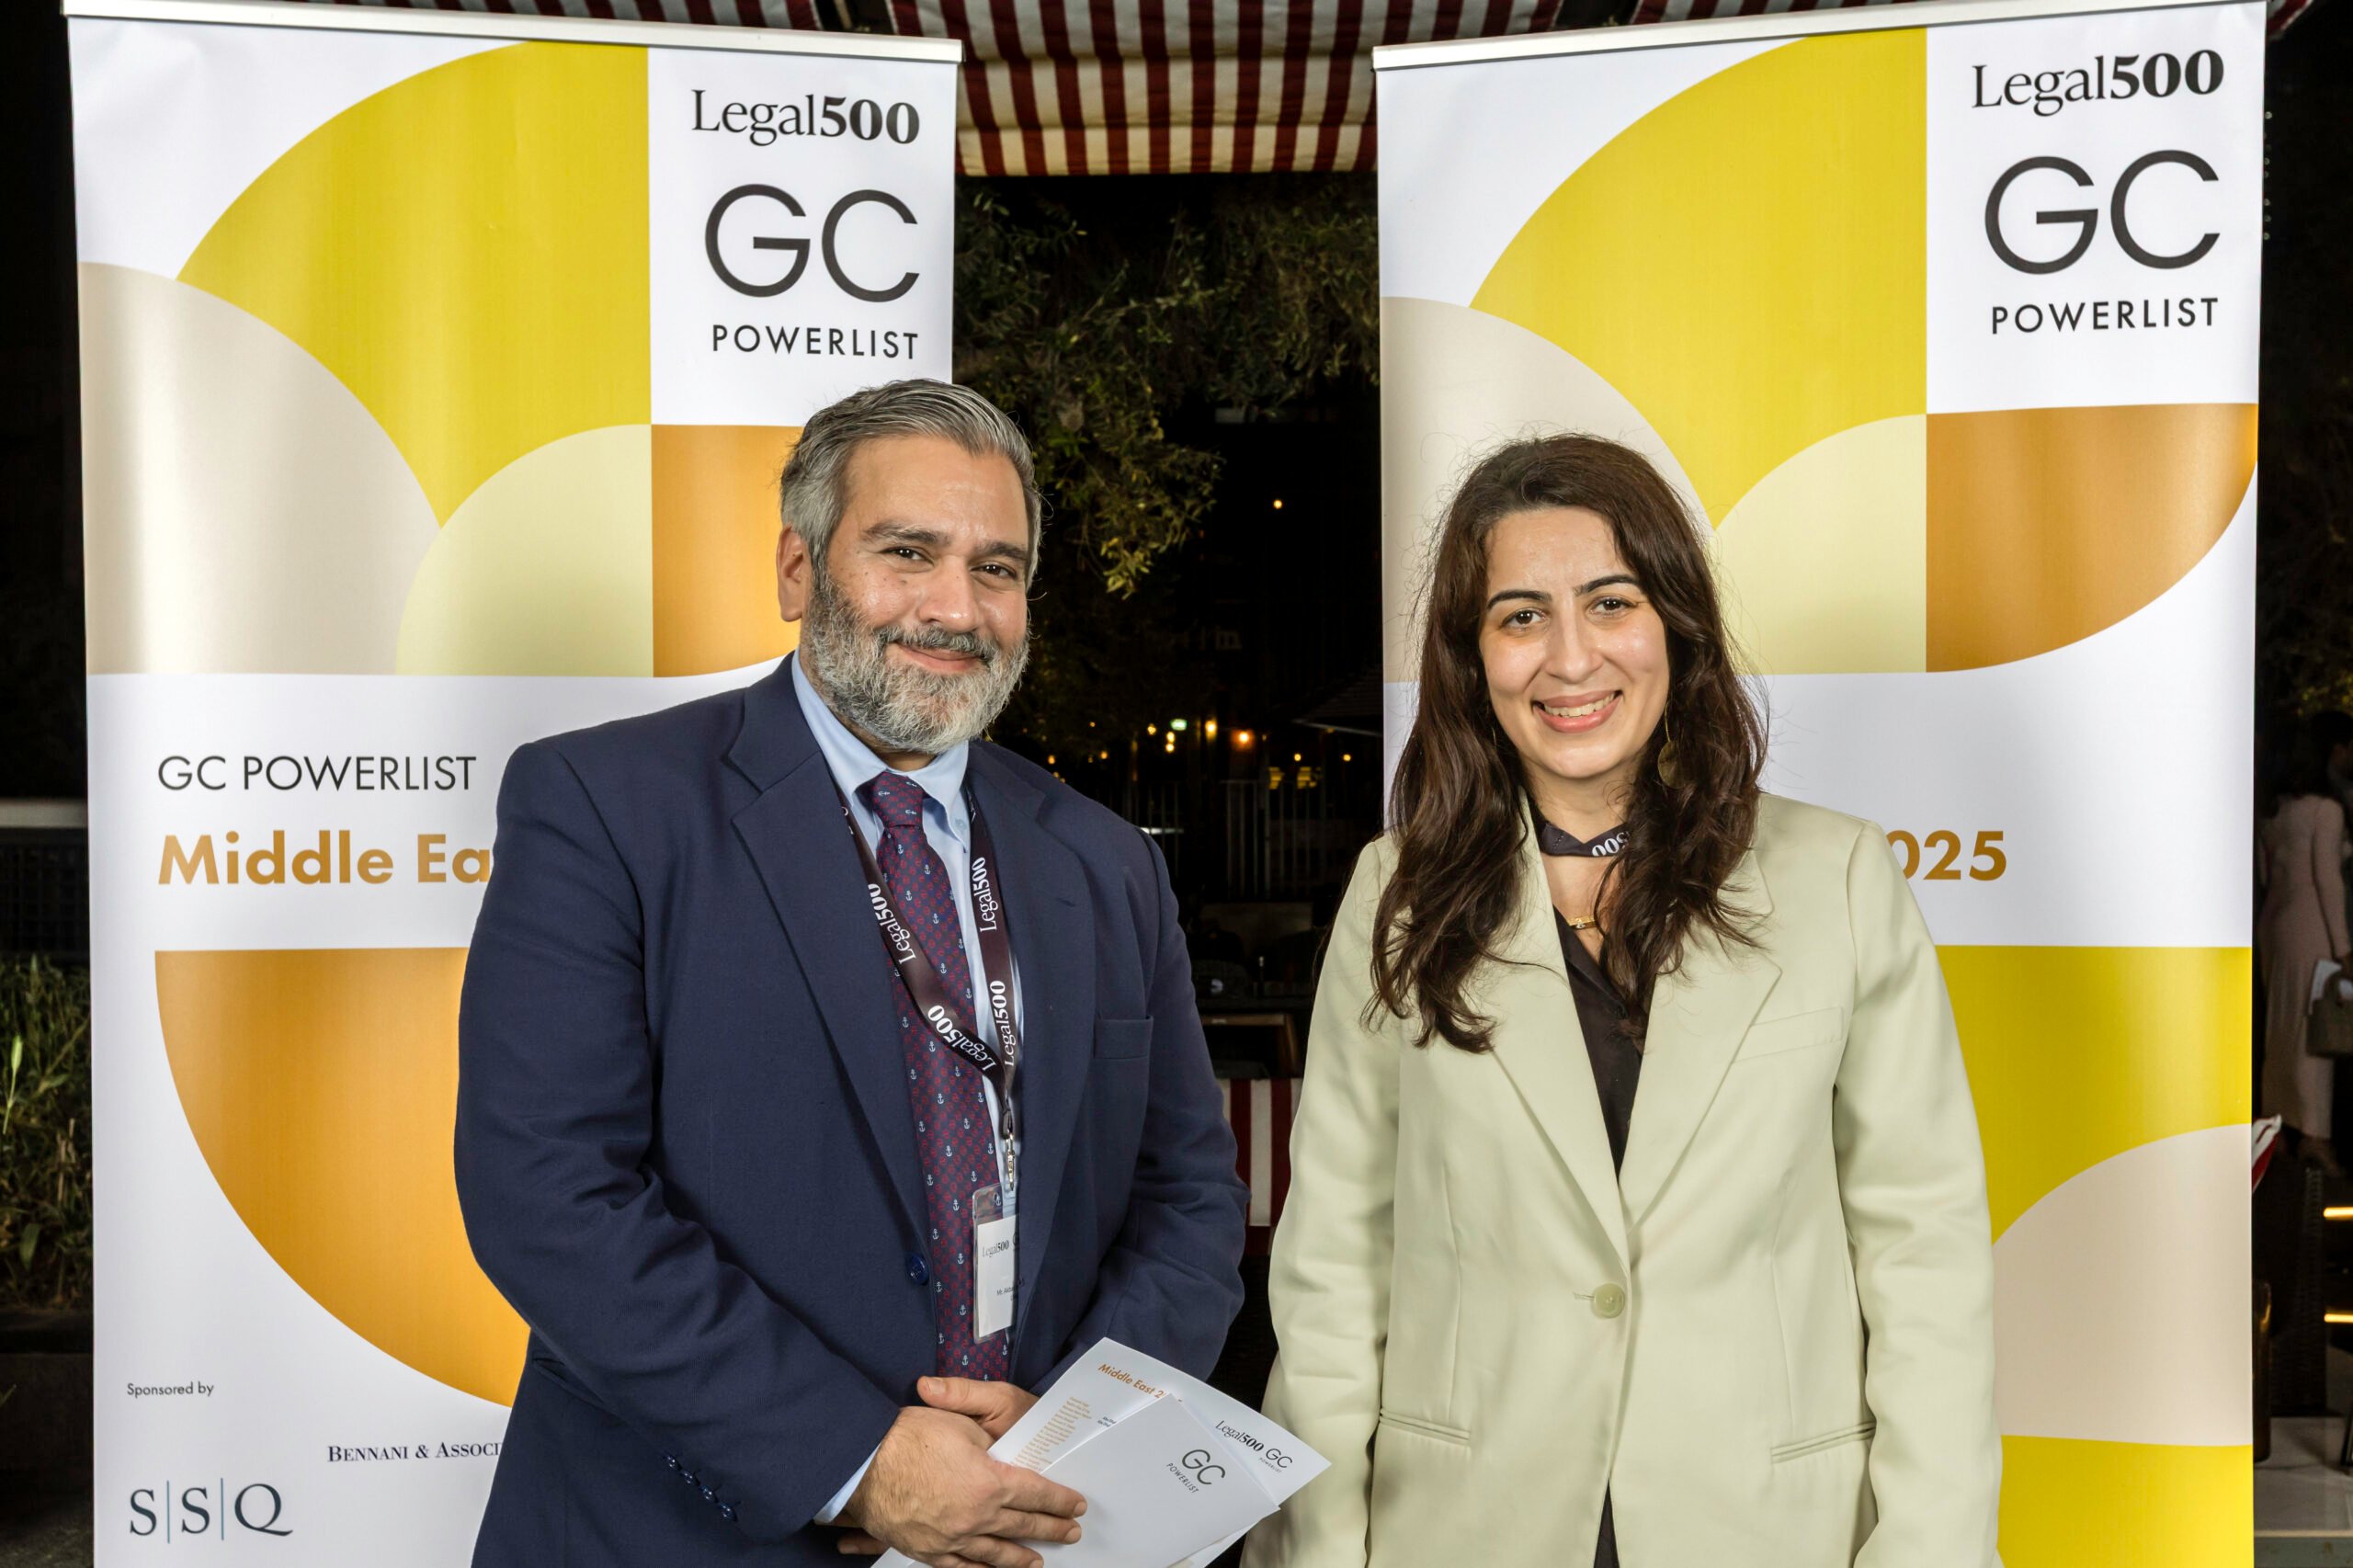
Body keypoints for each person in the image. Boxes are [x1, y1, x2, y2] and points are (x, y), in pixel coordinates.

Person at [455, 380, 1249, 1568]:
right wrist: (857, 1457)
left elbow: (1187, 1197)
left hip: (1025, 1524)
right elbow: (549, 1191)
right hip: (681, 1535)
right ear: (797, 569)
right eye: (907, 552)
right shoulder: (606, 808)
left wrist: (1075, 1428)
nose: (955, 606)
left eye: (995, 567)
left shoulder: (1104, 860)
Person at [1245, 435, 2001, 1568]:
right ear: (1471, 657)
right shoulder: (1394, 895)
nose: (1570, 657)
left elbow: (1923, 1252)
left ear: (1675, 627)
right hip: (1463, 1527)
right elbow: (1335, 1265)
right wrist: (1314, 1546)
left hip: (1767, 1528)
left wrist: (1930, 1549)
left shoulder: (1837, 879)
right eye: (1519, 615)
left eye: (1610, 601)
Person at [2258, 717, 2352, 1176]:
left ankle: (2277, 1126)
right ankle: (2315, 1134)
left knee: (2281, 1031)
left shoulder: (2275, 813)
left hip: (2275, 925)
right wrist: (2344, 948)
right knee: (2316, 1034)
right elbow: (2328, 881)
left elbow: (2265, 875)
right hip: (2313, 927)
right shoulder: (2326, 810)